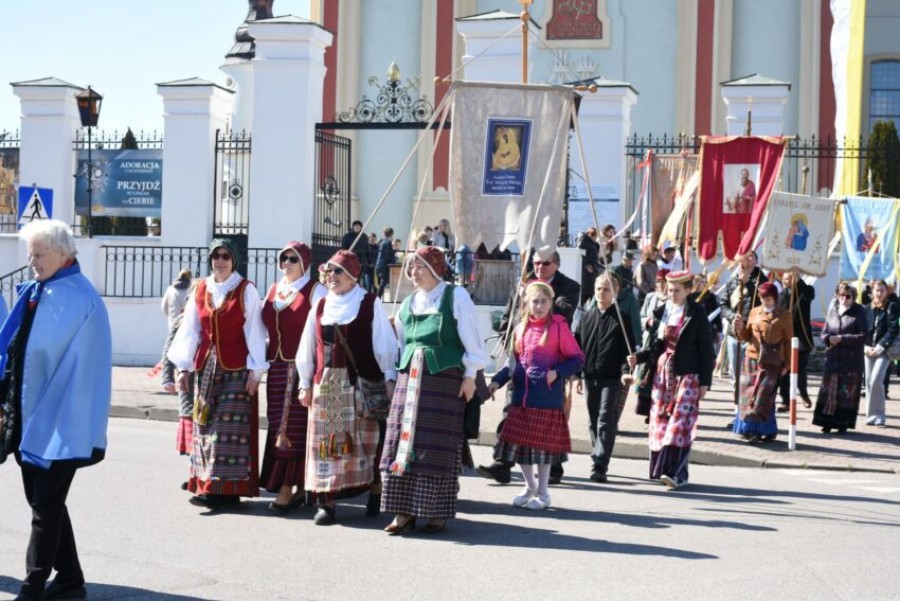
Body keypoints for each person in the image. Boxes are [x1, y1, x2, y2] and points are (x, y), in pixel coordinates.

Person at [0, 220, 111, 601]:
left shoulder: (81, 299)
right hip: (33, 420)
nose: (32, 261)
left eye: (38, 254)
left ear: (63, 254)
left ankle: (31, 588)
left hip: (63, 423)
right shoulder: (41, 291)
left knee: (44, 507)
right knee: (45, 502)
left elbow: (81, 369)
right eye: (30, 254)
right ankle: (70, 580)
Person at [381, 246, 490, 534]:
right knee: (401, 443)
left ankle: (436, 512)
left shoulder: (456, 296)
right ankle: (402, 511)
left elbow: (472, 339)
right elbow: (400, 346)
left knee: (436, 446)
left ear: (435, 269)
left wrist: (470, 375)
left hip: (442, 381)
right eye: (411, 267)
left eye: (420, 267)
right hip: (410, 380)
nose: (413, 272)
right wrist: (392, 378)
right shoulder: (408, 303)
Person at [296, 250, 397, 525]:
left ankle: (375, 491)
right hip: (327, 386)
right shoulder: (319, 305)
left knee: (365, 444)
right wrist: (304, 383)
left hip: (359, 384)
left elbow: (384, 344)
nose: (332, 276)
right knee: (325, 447)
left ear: (353, 276)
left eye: (338, 271)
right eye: (329, 271)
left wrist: (389, 378)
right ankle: (326, 503)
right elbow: (308, 346)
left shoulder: (369, 303)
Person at [168, 238, 268, 510]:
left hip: (236, 369)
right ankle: (206, 484)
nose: (220, 260)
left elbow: (255, 333)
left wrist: (256, 371)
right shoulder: (201, 288)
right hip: (206, 368)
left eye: (225, 256)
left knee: (227, 431)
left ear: (233, 260)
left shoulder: (245, 290)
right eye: (216, 256)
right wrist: (183, 367)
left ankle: (227, 491)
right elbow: (190, 329)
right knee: (204, 426)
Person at [478, 246, 580, 485]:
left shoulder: (569, 287)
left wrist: (536, 298)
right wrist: (508, 334)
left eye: (545, 264)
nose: (539, 268)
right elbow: (508, 315)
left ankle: (552, 467)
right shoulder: (522, 285)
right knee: (512, 411)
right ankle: (502, 462)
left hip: (550, 362)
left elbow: (563, 312)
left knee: (547, 420)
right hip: (522, 357)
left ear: (556, 264)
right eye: (535, 263)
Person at [490, 281, 584, 509]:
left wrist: (557, 373)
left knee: (542, 450)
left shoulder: (559, 327)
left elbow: (578, 358)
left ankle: (543, 493)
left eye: (544, 301)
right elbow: (513, 364)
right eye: (535, 302)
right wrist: (496, 381)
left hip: (546, 398)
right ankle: (529, 485)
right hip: (521, 397)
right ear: (526, 303)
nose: (539, 306)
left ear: (551, 303)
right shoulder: (520, 328)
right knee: (519, 446)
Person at [627, 270, 715, 490]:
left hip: (687, 375)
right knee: (660, 423)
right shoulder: (661, 312)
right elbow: (655, 347)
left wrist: (705, 381)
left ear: (688, 290)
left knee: (679, 425)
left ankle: (675, 473)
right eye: (669, 289)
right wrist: (638, 357)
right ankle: (664, 470)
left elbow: (706, 350)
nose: (672, 293)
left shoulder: (697, 313)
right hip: (661, 375)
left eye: (677, 290)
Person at [260, 242, 326, 513]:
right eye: (283, 258)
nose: (286, 263)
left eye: (292, 259)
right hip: (276, 367)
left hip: (300, 368)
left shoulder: (315, 290)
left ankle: (290, 489)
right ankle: (296, 486)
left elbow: (320, 332)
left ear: (304, 264)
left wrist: (310, 375)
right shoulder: (274, 289)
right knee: (278, 427)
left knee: (294, 429)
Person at [576, 273, 634, 483]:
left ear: (615, 292)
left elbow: (629, 350)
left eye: (607, 289)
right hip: (590, 376)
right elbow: (577, 347)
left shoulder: (621, 318)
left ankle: (600, 463)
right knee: (593, 421)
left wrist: (626, 371)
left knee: (604, 419)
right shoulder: (586, 317)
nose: (602, 293)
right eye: (599, 288)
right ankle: (597, 452)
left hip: (612, 378)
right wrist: (576, 374)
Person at [732, 282, 792, 444]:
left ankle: (765, 430)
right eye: (762, 297)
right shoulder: (754, 312)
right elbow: (745, 336)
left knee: (763, 398)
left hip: (772, 363)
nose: (765, 300)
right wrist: (739, 327)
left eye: (769, 297)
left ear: (775, 297)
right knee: (747, 396)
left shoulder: (784, 315)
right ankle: (748, 430)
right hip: (751, 359)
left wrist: (787, 365)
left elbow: (788, 341)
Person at [814, 283, 867, 434]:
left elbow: (863, 336)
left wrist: (841, 338)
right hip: (832, 359)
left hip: (850, 361)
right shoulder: (833, 309)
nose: (844, 298)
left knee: (845, 394)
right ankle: (826, 423)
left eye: (848, 296)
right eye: (841, 295)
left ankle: (842, 424)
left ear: (853, 297)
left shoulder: (859, 311)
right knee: (829, 392)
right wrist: (829, 338)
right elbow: (824, 332)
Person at [719, 251, 768, 383]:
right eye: (745, 256)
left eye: (751, 256)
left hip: (752, 334)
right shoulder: (732, 280)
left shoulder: (763, 281)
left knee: (750, 374)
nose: (747, 259)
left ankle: (747, 400)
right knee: (736, 374)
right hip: (733, 332)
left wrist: (748, 285)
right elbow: (723, 304)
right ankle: (738, 402)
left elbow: (765, 302)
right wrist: (732, 316)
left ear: (756, 261)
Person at [633, 270, 669, 418]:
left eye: (664, 281)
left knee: (656, 373)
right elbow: (641, 316)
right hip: (649, 339)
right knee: (644, 372)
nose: (661, 284)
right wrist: (647, 321)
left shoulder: (671, 300)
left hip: (662, 341)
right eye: (659, 281)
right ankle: (643, 406)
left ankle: (655, 409)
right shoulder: (650, 297)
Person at [777, 270, 815, 412]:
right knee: (784, 371)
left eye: (790, 278)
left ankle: (803, 393)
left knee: (800, 369)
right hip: (784, 338)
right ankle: (785, 401)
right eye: (785, 279)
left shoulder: (806, 291)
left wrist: (798, 280)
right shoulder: (780, 296)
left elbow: (809, 295)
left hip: (801, 338)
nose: (787, 281)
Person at [863, 280, 898, 427]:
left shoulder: (892, 306)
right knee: (869, 382)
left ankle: (879, 415)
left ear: (886, 291)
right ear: (872, 291)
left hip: (884, 350)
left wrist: (880, 346)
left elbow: (893, 329)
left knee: (877, 379)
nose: (879, 293)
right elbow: (862, 330)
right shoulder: (866, 309)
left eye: (882, 290)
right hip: (868, 349)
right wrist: (865, 346)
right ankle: (871, 415)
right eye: (877, 290)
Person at [159, 269, 193, 394]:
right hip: (187, 325)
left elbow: (164, 308)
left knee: (170, 351)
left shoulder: (170, 290)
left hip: (173, 323)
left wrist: (171, 317)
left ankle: (172, 378)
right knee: (185, 352)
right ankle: (182, 376)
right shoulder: (190, 290)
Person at [575, 226, 600, 305]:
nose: (594, 237)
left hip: (591, 274)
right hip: (586, 275)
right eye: (593, 235)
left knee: (591, 295)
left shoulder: (592, 243)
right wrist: (586, 265)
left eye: (595, 235)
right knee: (585, 295)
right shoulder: (584, 241)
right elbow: (579, 254)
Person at [375, 227, 396, 299]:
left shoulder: (382, 242)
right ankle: (378, 298)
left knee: (383, 282)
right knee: (383, 282)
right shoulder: (387, 243)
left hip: (381, 265)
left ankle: (379, 297)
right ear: (392, 234)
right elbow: (387, 255)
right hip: (385, 265)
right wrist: (393, 252)